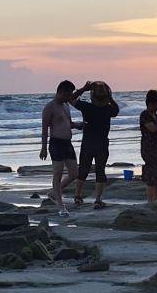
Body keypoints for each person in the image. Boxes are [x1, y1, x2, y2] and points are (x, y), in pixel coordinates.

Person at [71, 80, 120, 209]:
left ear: (92, 95)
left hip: (88, 143)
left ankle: (78, 196)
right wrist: (110, 98)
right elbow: (116, 110)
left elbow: (70, 99)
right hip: (102, 144)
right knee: (100, 171)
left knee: (83, 170)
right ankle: (98, 199)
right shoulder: (108, 109)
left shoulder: (86, 107)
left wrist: (83, 88)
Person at [40, 80, 79, 215]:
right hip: (56, 143)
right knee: (58, 173)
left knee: (74, 173)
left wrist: (78, 125)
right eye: (68, 94)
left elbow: (69, 123)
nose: (70, 97)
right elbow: (44, 129)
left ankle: (53, 193)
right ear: (61, 92)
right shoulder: (49, 107)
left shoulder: (66, 105)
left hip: (67, 143)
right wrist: (43, 148)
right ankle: (61, 206)